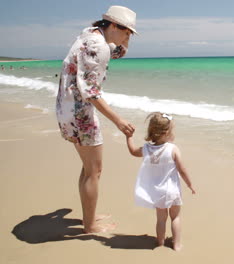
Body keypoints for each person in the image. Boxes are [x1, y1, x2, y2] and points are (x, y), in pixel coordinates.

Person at [55, 5, 138, 233]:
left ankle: (88, 217)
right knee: (95, 170)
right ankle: (90, 226)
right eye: (126, 31)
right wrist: (118, 120)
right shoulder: (98, 45)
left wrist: (125, 40)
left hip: (68, 107)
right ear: (113, 25)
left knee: (88, 168)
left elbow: (117, 52)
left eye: (130, 33)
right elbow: (91, 92)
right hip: (80, 112)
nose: (127, 36)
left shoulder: (90, 33)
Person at [126, 112, 196, 251]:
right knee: (175, 218)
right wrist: (190, 184)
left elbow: (133, 151)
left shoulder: (146, 149)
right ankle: (176, 245)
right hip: (173, 191)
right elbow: (182, 170)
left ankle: (160, 243)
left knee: (161, 219)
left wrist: (128, 137)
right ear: (166, 133)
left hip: (158, 193)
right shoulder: (173, 149)